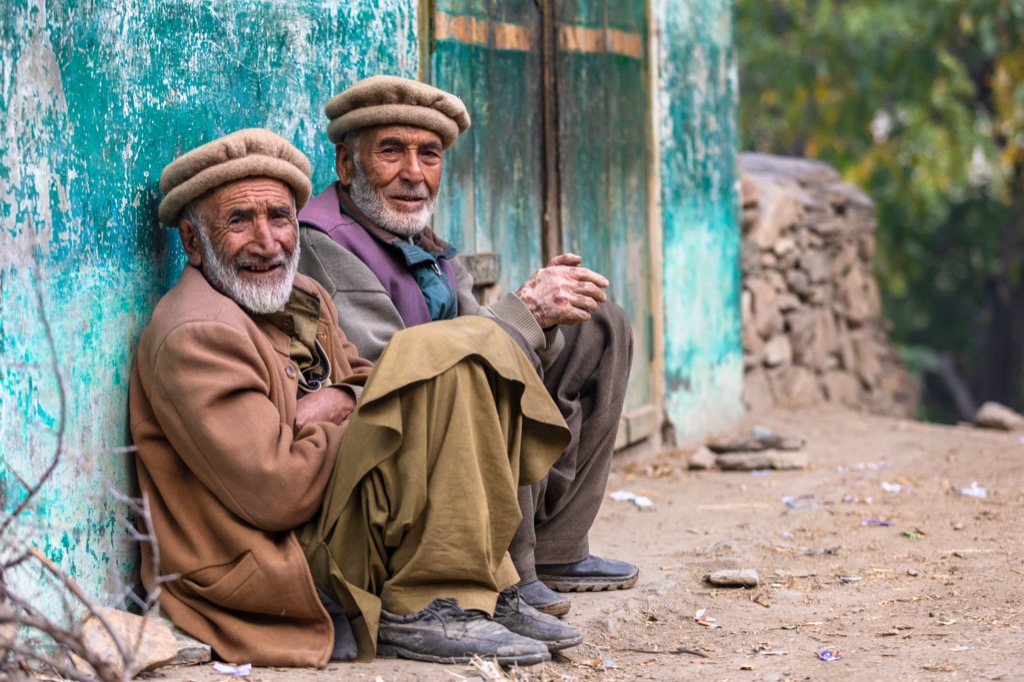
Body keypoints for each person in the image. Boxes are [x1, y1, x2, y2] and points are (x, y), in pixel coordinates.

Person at [129, 128, 585, 668]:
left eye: (279, 218)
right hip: (271, 563)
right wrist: (362, 408)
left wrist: (329, 406)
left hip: (331, 526)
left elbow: (369, 380)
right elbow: (279, 493)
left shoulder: (303, 297)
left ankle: (477, 585)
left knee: (459, 358)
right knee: (442, 358)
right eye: (238, 221)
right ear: (191, 240)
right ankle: (425, 605)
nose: (267, 241)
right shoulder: (195, 334)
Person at [297, 75, 638, 617]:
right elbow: (402, 373)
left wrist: (542, 316)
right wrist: (525, 310)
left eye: (428, 155)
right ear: (346, 166)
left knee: (600, 327)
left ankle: (557, 548)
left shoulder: (414, 238)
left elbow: (482, 329)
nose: (414, 173)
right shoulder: (328, 241)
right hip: (401, 448)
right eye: (391, 151)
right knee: (499, 367)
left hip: (449, 413)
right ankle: (512, 574)